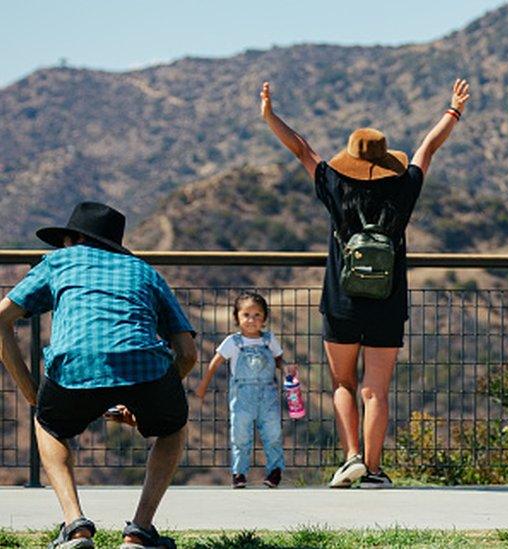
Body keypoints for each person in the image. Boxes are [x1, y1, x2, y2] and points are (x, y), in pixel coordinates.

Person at [261, 78, 470, 488]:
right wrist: (453, 111)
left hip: (341, 301)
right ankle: (374, 471)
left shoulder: (334, 183)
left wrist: (270, 115)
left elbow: (301, 148)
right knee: (376, 390)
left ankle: (351, 457)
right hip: (388, 301)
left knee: (343, 383)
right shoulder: (404, 186)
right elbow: (428, 148)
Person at [0, 201, 196, 548]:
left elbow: (1, 317)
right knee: (171, 428)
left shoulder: (59, 262)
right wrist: (153, 399)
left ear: (74, 238)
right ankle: (139, 532)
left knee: (49, 426)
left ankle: (75, 527)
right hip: (146, 368)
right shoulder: (144, 270)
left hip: (74, 367)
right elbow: (187, 353)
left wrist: (31, 391)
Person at [195, 292, 296, 489]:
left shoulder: (269, 340)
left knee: (273, 432)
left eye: (257, 315)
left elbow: (278, 360)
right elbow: (214, 364)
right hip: (242, 397)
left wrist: (286, 368)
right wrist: (203, 386)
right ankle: (239, 472)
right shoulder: (233, 342)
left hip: (268, 395)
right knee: (240, 434)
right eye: (246, 315)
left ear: (265, 319)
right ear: (237, 318)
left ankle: (275, 471)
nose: (252, 320)